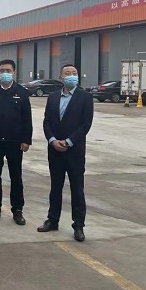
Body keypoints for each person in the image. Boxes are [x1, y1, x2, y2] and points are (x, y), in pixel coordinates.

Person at [38, 64, 94, 242]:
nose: (71, 76)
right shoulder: (53, 97)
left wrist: (69, 142)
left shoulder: (85, 97)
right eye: (67, 73)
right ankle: (52, 220)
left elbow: (86, 124)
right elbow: (47, 121)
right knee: (56, 187)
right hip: (55, 150)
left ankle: (78, 226)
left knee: (77, 188)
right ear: (61, 78)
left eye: (74, 73)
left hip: (74, 151)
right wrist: (52, 140)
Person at [0, 59, 32, 225]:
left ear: (14, 72)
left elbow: (27, 118)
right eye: (2, 70)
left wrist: (26, 139)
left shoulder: (22, 92)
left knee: (16, 176)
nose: (5, 73)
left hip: (15, 141)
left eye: (8, 70)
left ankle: (17, 210)